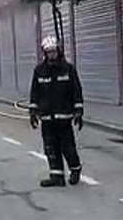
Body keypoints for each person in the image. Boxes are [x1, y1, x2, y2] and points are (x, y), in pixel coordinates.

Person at [27, 36, 85, 187]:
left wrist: (78, 112)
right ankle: (57, 176)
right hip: (47, 118)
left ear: (58, 51)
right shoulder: (39, 71)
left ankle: (75, 169)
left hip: (64, 118)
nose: (51, 54)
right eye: (48, 52)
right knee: (50, 148)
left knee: (68, 148)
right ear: (44, 53)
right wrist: (33, 113)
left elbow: (76, 91)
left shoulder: (68, 69)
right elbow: (35, 93)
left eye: (53, 51)